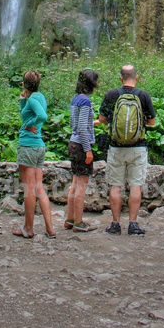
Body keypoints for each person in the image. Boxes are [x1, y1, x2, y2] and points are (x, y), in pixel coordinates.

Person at [98, 64, 156, 236]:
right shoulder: (143, 95)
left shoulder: (112, 95)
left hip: (116, 147)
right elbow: (152, 122)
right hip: (138, 147)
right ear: (136, 77)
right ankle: (133, 224)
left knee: (115, 185)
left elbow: (102, 119)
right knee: (135, 185)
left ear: (120, 78)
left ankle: (115, 224)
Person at [13, 70, 55, 239]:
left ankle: (28, 229)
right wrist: (23, 101)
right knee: (38, 187)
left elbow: (41, 116)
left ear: (24, 84)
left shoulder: (34, 100)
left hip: (28, 147)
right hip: (38, 147)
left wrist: (28, 125)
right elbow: (27, 114)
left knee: (29, 189)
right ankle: (50, 229)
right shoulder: (39, 97)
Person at [64, 68, 99, 233]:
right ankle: (79, 222)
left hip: (72, 143)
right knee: (81, 185)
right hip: (81, 146)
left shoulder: (75, 99)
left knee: (74, 183)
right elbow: (83, 130)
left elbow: (74, 124)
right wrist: (88, 150)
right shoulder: (85, 101)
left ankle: (69, 219)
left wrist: (93, 122)